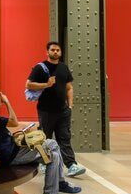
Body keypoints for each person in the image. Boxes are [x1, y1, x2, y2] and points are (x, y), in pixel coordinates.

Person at [0, 85, 80, 194]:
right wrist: (7, 101)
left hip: (14, 149)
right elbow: (14, 122)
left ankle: (58, 185)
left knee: (52, 146)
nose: (1, 93)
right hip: (12, 156)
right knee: (52, 155)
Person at [26, 42, 86, 177]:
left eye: (58, 50)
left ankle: (71, 165)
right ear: (47, 52)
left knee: (64, 138)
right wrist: (46, 84)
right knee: (45, 138)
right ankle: (43, 162)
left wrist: (70, 106)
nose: (55, 52)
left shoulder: (64, 68)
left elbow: (69, 87)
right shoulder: (40, 68)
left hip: (63, 111)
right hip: (46, 110)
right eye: (53, 50)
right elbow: (28, 84)